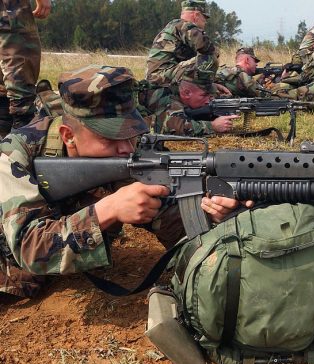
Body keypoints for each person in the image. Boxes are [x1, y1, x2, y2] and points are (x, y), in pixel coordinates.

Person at [0, 65, 246, 299]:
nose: (126, 147)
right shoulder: (15, 155)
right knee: (24, 279)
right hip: (11, 261)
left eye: (131, 132)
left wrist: (212, 211)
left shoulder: (126, 150)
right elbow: (29, 249)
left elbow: (170, 212)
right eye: (111, 137)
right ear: (68, 136)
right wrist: (110, 209)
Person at [145, 0, 228, 96]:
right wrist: (211, 86)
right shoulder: (184, 25)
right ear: (196, 15)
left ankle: (202, 91)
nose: (205, 22)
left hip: (157, 79)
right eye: (204, 17)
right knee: (209, 58)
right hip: (160, 79)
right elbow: (206, 48)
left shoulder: (174, 26)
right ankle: (205, 93)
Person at [140, 60, 239, 136]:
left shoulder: (179, 89)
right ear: (187, 93)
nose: (209, 100)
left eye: (210, 95)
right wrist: (212, 126)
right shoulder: (167, 97)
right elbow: (174, 127)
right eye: (204, 95)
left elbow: (197, 94)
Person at [0, 0, 51, 138]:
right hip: (10, 7)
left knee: (3, 92)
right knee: (21, 93)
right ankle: (22, 142)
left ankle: (7, 139)